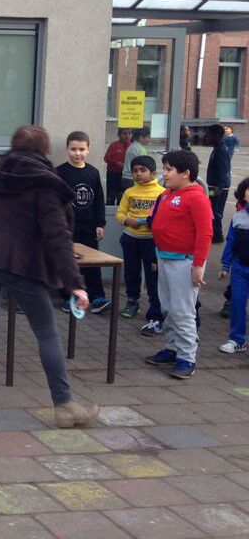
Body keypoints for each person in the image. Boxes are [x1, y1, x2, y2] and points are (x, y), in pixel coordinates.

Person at [0, 125, 98, 428]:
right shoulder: (46, 184)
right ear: (45, 150)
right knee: (46, 332)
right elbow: (58, 236)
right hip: (22, 265)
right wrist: (76, 285)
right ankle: (65, 406)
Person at [145, 149, 213, 380]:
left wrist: (198, 265)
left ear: (185, 173)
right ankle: (172, 348)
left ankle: (187, 357)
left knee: (182, 311)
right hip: (165, 258)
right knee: (167, 307)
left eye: (169, 169)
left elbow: (205, 233)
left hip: (184, 262)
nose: (164, 174)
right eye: (164, 169)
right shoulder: (167, 194)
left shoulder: (196, 197)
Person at [56, 131, 109, 313]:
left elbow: (99, 200)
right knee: (67, 261)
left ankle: (97, 296)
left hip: (89, 225)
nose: (77, 153)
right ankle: (69, 297)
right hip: (67, 227)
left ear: (88, 149)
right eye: (73, 149)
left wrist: (100, 223)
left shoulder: (93, 172)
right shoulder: (59, 172)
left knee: (92, 262)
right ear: (67, 149)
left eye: (81, 149)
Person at [115, 155, 165, 329]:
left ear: (153, 173)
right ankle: (132, 301)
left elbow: (164, 217)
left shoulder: (161, 193)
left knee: (153, 275)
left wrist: (152, 223)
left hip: (151, 241)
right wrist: (126, 220)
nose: (138, 174)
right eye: (135, 170)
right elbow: (120, 213)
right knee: (131, 272)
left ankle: (155, 307)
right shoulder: (129, 192)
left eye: (142, 170)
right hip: (130, 238)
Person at [218, 176, 249, 355]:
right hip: (240, 269)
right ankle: (237, 340)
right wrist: (225, 266)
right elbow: (230, 242)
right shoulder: (238, 217)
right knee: (237, 303)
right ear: (243, 194)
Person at [205, 123, 231, 244]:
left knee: (216, 211)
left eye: (209, 135)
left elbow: (223, 169)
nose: (207, 137)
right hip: (213, 188)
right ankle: (214, 234)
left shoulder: (221, 150)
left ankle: (218, 235)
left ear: (216, 135)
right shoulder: (217, 148)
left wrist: (219, 187)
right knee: (212, 209)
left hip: (218, 189)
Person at [104, 129, 132, 205]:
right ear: (119, 135)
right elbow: (106, 158)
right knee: (111, 196)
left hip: (125, 176)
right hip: (113, 174)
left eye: (129, 133)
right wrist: (116, 163)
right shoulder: (114, 145)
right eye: (124, 134)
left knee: (122, 196)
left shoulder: (132, 147)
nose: (127, 136)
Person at [121, 128, 151, 194]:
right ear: (141, 137)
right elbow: (144, 165)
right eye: (148, 137)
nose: (149, 140)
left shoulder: (131, 147)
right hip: (134, 179)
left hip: (125, 178)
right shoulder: (140, 149)